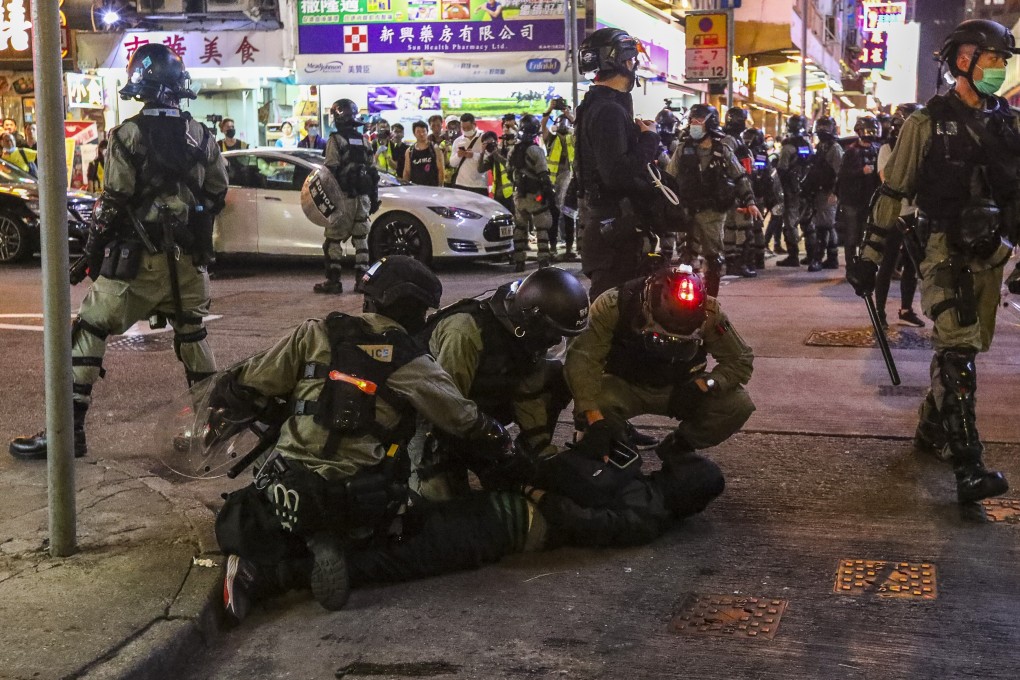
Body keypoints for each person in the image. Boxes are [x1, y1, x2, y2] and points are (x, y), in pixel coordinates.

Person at [212, 256, 518, 618]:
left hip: (287, 476)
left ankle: (277, 550)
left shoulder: (316, 332)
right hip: (361, 496)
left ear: (369, 298)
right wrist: (499, 437)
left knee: (247, 504)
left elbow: (251, 380)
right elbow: (461, 418)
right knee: (429, 527)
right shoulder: (412, 360)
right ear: (419, 313)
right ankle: (335, 543)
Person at [9, 43, 228, 461]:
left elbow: (113, 201)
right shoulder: (201, 134)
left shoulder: (127, 135)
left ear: (140, 85)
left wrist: (88, 253)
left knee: (89, 327)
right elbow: (217, 192)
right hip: (187, 261)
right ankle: (211, 429)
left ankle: (68, 432)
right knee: (193, 334)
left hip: (138, 263)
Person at [847, 19, 1020, 506]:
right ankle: (969, 467)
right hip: (943, 252)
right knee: (959, 349)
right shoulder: (925, 124)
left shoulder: (1009, 123)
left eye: (1004, 59)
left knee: (965, 347)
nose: (1000, 67)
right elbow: (893, 192)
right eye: (992, 58)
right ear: (963, 60)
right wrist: (868, 257)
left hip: (992, 254)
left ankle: (930, 427)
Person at [412, 266, 589, 500]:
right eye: (553, 333)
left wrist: (537, 450)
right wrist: (494, 443)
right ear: (532, 317)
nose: (556, 340)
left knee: (555, 376)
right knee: (440, 503)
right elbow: (444, 408)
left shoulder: (525, 331)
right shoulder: (466, 332)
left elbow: (529, 390)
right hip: (427, 416)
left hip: (473, 408)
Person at [565, 264, 754, 473]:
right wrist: (591, 416)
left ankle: (679, 447)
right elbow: (582, 360)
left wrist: (705, 384)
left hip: (681, 387)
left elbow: (740, 359)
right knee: (593, 402)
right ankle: (612, 442)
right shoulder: (614, 305)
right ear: (647, 309)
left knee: (737, 405)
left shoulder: (710, 313)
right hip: (626, 385)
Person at [573, 27, 660, 300]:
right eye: (632, 60)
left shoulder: (597, 104)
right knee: (611, 319)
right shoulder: (608, 110)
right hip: (613, 234)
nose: (634, 65)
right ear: (622, 61)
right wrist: (649, 142)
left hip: (607, 227)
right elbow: (616, 174)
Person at [666, 104, 760, 296]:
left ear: (710, 123)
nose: (694, 125)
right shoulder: (683, 148)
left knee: (713, 258)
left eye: (699, 121)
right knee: (685, 258)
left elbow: (739, 176)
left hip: (713, 213)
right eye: (692, 121)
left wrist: (750, 201)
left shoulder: (722, 149)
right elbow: (669, 177)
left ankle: (710, 299)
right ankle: (685, 300)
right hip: (687, 210)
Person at [314, 99, 380, 295]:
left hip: (343, 197)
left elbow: (330, 170)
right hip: (363, 198)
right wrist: (373, 199)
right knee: (361, 238)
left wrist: (327, 199)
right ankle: (362, 280)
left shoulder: (336, 140)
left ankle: (333, 281)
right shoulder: (364, 140)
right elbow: (373, 172)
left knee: (333, 240)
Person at [874, 103, 924, 329]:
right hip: (894, 213)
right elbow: (887, 179)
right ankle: (879, 311)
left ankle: (906, 309)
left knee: (912, 265)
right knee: (887, 263)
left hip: (915, 212)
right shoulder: (888, 148)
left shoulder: (923, 147)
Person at [508, 114, 555, 271]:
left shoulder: (513, 151)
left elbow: (509, 173)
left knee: (520, 227)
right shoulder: (536, 151)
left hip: (519, 195)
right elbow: (543, 174)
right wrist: (549, 193)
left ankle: (519, 262)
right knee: (541, 227)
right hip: (536, 195)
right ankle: (543, 259)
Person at [800, 115, 844, 271]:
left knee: (824, 226)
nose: (822, 130)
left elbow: (840, 173)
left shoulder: (835, 148)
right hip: (819, 190)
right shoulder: (822, 146)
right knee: (826, 224)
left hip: (828, 191)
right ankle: (831, 258)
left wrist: (835, 192)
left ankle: (818, 258)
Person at [720, 107, 758, 278]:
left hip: (736, 189)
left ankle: (737, 262)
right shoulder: (730, 140)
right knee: (740, 228)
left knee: (738, 228)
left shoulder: (735, 140)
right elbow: (732, 166)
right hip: (734, 191)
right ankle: (736, 263)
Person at [743, 127, 784, 270]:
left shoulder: (759, 153)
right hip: (750, 193)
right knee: (751, 227)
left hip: (756, 195)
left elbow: (759, 175)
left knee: (755, 227)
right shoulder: (747, 151)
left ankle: (757, 258)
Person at [775, 115, 814, 266]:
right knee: (807, 221)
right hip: (806, 189)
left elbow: (782, 170)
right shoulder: (807, 145)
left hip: (791, 191)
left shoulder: (788, 147)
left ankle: (793, 256)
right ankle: (811, 255)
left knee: (790, 224)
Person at [543, 105, 577, 261]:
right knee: (553, 218)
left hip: (570, 183)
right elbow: (543, 126)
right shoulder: (551, 139)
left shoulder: (573, 138)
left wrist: (569, 115)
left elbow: (579, 128)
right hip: (553, 184)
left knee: (569, 216)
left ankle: (569, 248)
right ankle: (553, 248)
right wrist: (549, 109)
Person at [449, 113, 489, 195]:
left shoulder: (484, 138)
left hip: (479, 185)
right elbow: (452, 163)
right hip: (461, 184)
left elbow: (489, 159)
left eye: (468, 128)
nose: (466, 130)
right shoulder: (458, 141)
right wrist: (459, 155)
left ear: (474, 125)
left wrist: (474, 155)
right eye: (463, 128)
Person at [478, 129, 515, 213]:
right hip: (498, 194)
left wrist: (496, 153)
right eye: (486, 143)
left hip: (511, 193)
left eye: (490, 141)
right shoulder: (491, 157)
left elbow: (509, 165)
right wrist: (482, 153)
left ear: (496, 141)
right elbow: (480, 169)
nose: (490, 145)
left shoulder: (506, 151)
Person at [403, 120, 444, 187]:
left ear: (427, 132)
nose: (421, 134)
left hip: (432, 187)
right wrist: (405, 186)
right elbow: (407, 171)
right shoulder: (410, 151)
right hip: (415, 188)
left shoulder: (435, 148)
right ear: (414, 133)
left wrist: (440, 186)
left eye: (423, 131)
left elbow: (441, 170)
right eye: (418, 132)